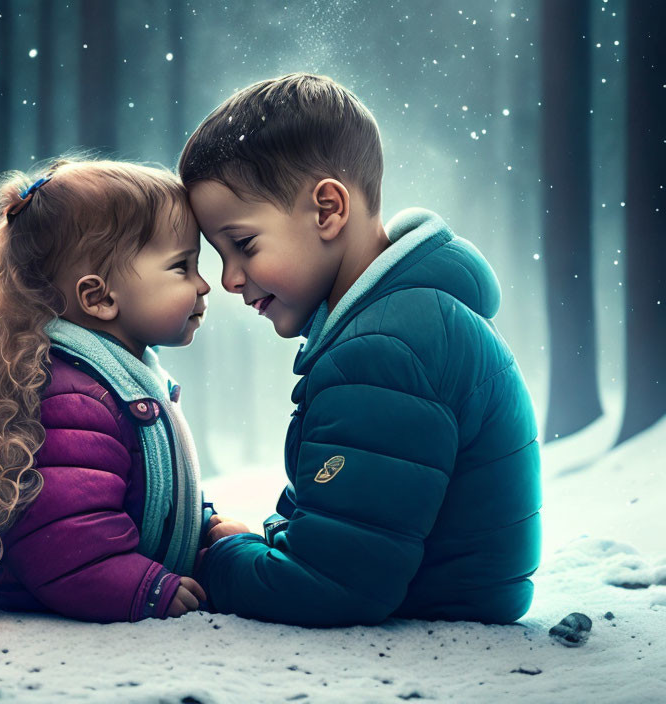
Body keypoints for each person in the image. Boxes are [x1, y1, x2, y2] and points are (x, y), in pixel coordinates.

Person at [180, 73, 542, 626]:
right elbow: (348, 521)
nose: (229, 279)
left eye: (244, 245)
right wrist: (264, 543)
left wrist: (221, 562)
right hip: (431, 596)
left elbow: (330, 586)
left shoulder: (387, 348)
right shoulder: (404, 321)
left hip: (437, 617)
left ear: (327, 210)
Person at [0, 158, 217, 635]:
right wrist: (146, 588)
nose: (204, 285)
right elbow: (68, 543)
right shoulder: (76, 399)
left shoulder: (123, 379)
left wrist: (204, 523)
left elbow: (147, 487)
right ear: (100, 297)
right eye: (181, 267)